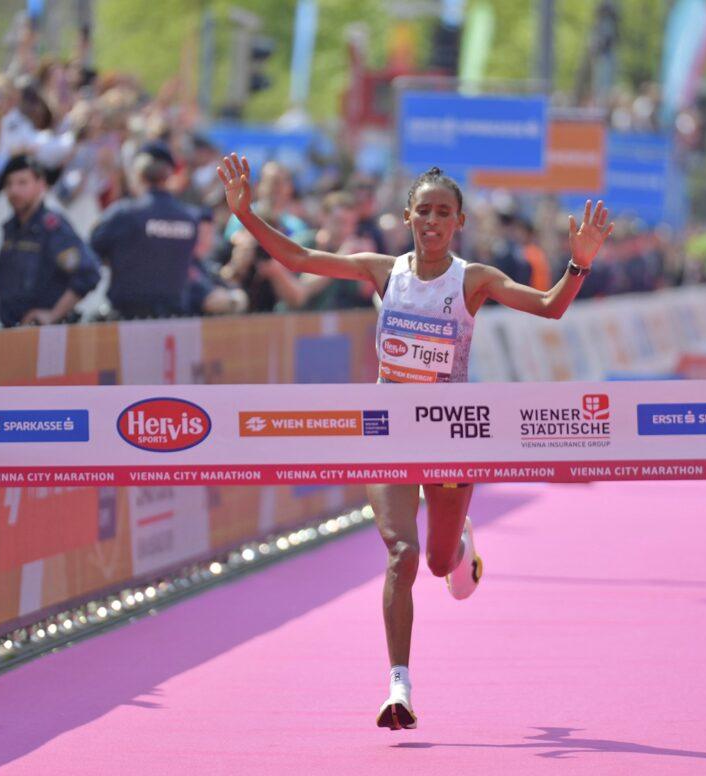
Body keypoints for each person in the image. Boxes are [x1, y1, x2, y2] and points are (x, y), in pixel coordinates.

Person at [218, 153, 612, 731]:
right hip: (389, 432)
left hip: (449, 438)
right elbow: (300, 259)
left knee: (436, 563)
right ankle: (398, 684)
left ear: (459, 222)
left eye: (443, 213)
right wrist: (246, 216)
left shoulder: (473, 280)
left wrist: (579, 264)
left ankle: (460, 545)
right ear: (407, 216)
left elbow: (550, 308)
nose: (432, 221)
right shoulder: (383, 271)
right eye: (423, 210)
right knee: (401, 553)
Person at [89, 141, 200, 319]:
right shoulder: (190, 218)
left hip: (127, 319)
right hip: (173, 321)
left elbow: (91, 252)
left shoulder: (124, 213)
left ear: (138, 174)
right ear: (169, 176)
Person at [0, 154, 100, 327]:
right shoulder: (11, 228)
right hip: (11, 331)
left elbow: (88, 273)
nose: (14, 191)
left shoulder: (52, 228)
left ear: (41, 185)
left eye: (22, 183)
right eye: (9, 184)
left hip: (45, 334)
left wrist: (53, 314)